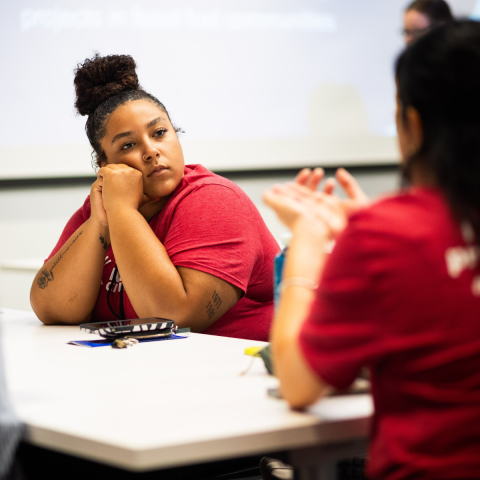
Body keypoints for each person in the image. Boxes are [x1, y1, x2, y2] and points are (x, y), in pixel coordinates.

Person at [264, 20, 480, 480]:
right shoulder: (385, 232)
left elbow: (298, 383)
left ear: (413, 125)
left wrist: (307, 240)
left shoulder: (385, 236)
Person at [30, 54, 279, 341]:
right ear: (105, 165)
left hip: (241, 374)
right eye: (128, 144)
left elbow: (176, 316)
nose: (151, 151)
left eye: (159, 132)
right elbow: (51, 309)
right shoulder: (98, 209)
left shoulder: (214, 200)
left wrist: (122, 209)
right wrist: (101, 221)